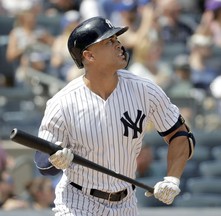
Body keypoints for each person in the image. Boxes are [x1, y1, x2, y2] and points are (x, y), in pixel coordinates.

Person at [34, 16, 196, 215]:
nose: (119, 45)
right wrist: (55, 159)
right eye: (109, 42)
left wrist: (172, 178)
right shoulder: (63, 102)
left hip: (126, 203)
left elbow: (180, 135)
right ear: (89, 56)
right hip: (77, 202)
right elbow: (43, 161)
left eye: (117, 40)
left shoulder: (144, 90)